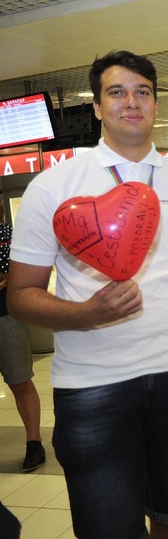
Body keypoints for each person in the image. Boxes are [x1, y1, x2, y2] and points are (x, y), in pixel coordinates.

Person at [7, 50, 168, 539]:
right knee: (107, 526)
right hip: (93, 385)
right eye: (117, 92)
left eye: (143, 92)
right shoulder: (55, 187)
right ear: (96, 107)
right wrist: (87, 313)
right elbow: (20, 296)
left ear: (155, 104)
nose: (131, 102)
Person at [0, 202, 46, 473]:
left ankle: (34, 442)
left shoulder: (7, 233)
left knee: (19, 380)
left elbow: (13, 273)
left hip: (5, 315)